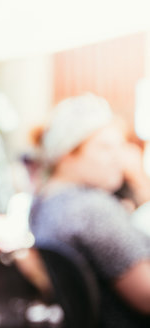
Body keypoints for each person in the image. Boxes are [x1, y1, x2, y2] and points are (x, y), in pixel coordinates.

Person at [29, 93, 150, 327]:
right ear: (67, 155)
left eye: (120, 146)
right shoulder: (92, 210)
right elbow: (146, 296)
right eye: (105, 148)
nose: (120, 159)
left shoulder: (41, 204)